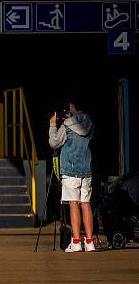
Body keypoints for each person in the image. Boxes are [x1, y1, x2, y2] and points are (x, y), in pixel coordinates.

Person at [48, 94, 96, 252]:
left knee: (73, 204)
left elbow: (54, 142)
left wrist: (53, 125)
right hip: (86, 170)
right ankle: (89, 242)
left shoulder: (66, 125)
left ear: (72, 107)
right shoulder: (90, 123)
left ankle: (76, 242)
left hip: (70, 170)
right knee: (86, 204)